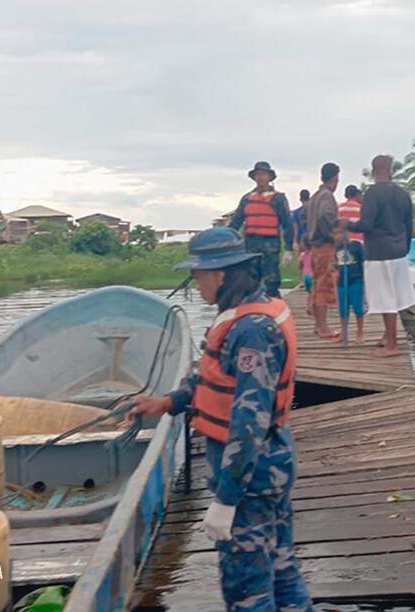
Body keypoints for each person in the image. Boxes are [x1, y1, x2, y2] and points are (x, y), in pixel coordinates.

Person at [124, 227, 312, 611]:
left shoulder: (251, 330)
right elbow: (217, 380)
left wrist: (227, 500)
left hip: (251, 479)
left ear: (221, 274)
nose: (196, 285)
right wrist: (168, 402)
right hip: (269, 468)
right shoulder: (249, 312)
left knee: (247, 591)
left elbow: (249, 422)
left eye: (198, 276)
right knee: (281, 570)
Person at [346, 155, 415, 358]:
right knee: (396, 296)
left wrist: (346, 224)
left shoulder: (372, 194)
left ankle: (392, 345)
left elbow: (366, 225)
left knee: (386, 299)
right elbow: (409, 226)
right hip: (399, 251)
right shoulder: (403, 194)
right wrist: (405, 248)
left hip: (379, 252)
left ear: (374, 171)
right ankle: (388, 336)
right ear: (390, 170)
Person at [229, 161, 295, 298]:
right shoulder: (247, 198)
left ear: (269, 177)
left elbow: (287, 224)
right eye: (258, 174)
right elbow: (236, 222)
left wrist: (289, 249)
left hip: (270, 245)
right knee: (250, 281)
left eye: (264, 174)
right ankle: (253, 307)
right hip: (250, 246)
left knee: (271, 282)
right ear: (254, 177)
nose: (260, 177)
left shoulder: (278, 199)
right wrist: (226, 238)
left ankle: (274, 306)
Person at [302, 162, 340, 341]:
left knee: (317, 285)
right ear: (335, 178)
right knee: (324, 285)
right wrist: (332, 236)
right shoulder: (327, 196)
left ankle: (318, 325)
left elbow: (304, 217)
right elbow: (325, 216)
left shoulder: (315, 196)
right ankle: (323, 327)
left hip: (314, 246)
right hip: (324, 245)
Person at [334, 220, 365, 344]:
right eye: (335, 234)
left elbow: (363, 262)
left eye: (340, 233)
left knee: (358, 308)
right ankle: (344, 332)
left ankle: (360, 332)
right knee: (343, 309)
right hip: (342, 282)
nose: (338, 236)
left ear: (346, 233)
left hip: (355, 280)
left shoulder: (356, 245)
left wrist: (363, 278)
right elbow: (336, 263)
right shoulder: (336, 248)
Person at [298, 237, 313, 316]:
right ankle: (310, 307)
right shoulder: (314, 254)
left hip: (306, 276)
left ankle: (308, 306)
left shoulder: (302, 254)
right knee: (313, 293)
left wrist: (301, 279)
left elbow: (299, 266)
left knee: (310, 293)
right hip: (313, 276)